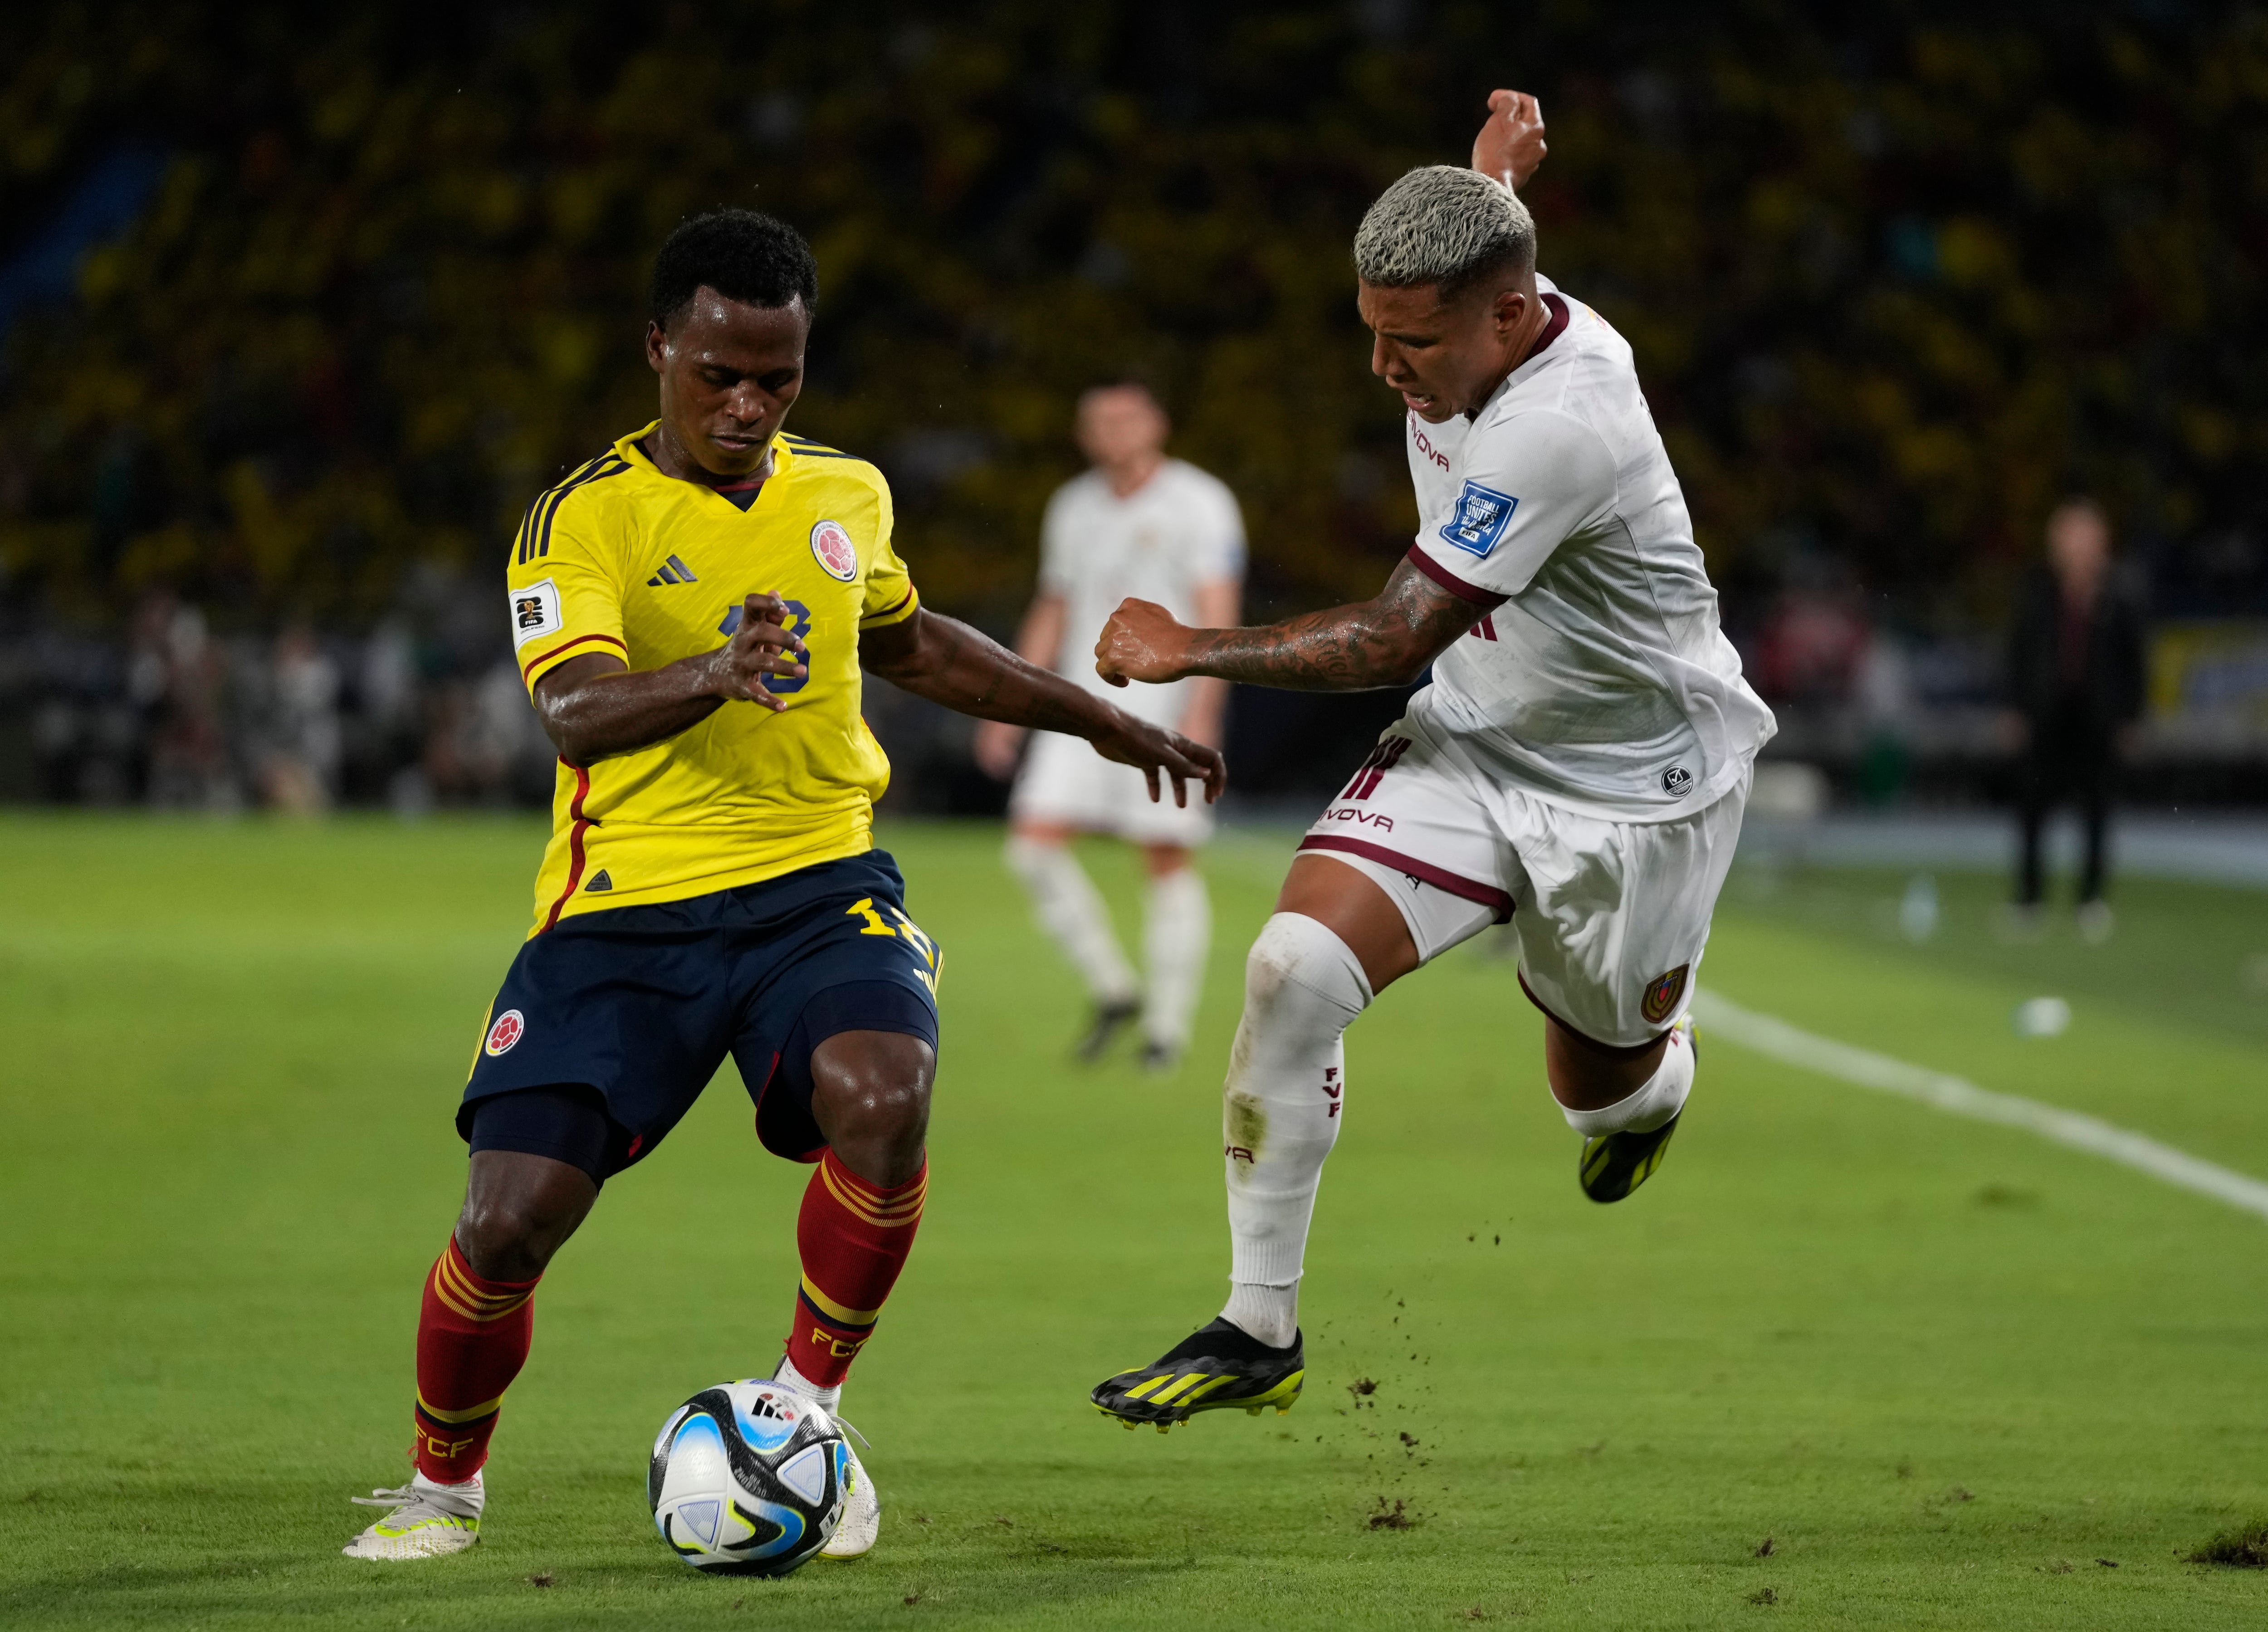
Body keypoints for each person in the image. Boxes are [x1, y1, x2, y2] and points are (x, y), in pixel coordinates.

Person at [343, 210, 1222, 1561]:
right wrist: (709, 670)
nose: (750, 403)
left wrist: (1090, 715)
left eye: (780, 375)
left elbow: (914, 642)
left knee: (886, 1091)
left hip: (819, 884)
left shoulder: (844, 492)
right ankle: (441, 1482)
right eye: (719, 373)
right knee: (508, 1216)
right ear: (657, 348)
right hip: (623, 909)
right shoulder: (581, 518)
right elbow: (572, 711)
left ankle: (803, 1415)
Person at [1084, 90, 1776, 1426]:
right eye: (1373, 335)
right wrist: (1487, 174)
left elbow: (1392, 634)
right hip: (1473, 740)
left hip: (1635, 793)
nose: (1385, 371)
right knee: (1288, 967)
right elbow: (1481, 254)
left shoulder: (1558, 421)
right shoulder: (1488, 296)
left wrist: (1189, 646)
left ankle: (1651, 1084)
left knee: (1596, 1088)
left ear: (1506, 319)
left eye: (1410, 345)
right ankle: (1255, 1324)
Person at [974, 382, 1245, 1070]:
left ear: (1157, 421)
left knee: (1163, 855)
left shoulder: (1200, 501)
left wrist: (1204, 710)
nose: (1113, 431)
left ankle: (1166, 1030)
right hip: (1078, 708)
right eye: (1098, 420)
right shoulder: (1073, 506)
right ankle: (1115, 987)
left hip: (1162, 708)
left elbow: (1218, 611)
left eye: (1126, 417)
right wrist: (1008, 705)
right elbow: (1055, 605)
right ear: (1082, 432)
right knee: (1031, 845)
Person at [2004, 498, 2146, 943]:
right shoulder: (2037, 591)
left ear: (2100, 543)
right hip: (2045, 714)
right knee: (2031, 809)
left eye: (2083, 536)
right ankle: (2028, 899)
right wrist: (2013, 707)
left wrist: (2129, 717)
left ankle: (2090, 898)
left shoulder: (2118, 596)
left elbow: (2134, 660)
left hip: (2096, 717)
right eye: (2066, 535)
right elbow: (2017, 652)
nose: (2074, 546)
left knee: (2097, 811)